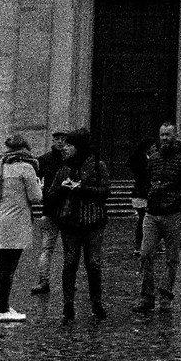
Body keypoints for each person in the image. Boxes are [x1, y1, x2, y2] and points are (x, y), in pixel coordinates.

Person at [43, 129, 111, 323]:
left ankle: (96, 302)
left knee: (93, 263)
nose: (65, 148)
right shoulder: (64, 169)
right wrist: (63, 189)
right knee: (70, 262)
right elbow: (50, 194)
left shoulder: (98, 166)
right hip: (70, 223)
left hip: (93, 221)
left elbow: (105, 192)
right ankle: (68, 304)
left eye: (69, 145)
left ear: (79, 147)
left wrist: (83, 189)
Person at [135, 123, 181, 313]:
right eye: (161, 134)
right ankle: (147, 296)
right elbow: (147, 182)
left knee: (172, 257)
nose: (164, 138)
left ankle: (165, 295)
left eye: (168, 135)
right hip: (153, 213)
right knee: (145, 253)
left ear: (175, 135)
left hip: (174, 213)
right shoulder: (153, 159)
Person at [0, 134, 41, 322]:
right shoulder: (26, 168)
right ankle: (2, 310)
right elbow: (35, 197)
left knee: (1, 267)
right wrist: (40, 185)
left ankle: (1, 306)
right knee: (9, 268)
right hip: (16, 222)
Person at [28, 131, 68, 296]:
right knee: (47, 248)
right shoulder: (44, 159)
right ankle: (43, 281)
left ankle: (68, 281)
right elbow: (33, 179)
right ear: (53, 141)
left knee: (69, 249)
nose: (60, 142)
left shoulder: (71, 159)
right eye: (57, 139)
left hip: (68, 211)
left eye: (63, 140)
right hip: (51, 209)